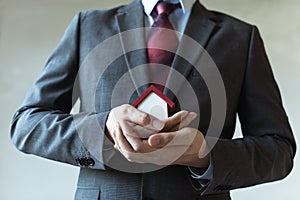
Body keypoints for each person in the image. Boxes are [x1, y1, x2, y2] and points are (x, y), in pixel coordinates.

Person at [10, 0, 296, 199]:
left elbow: (278, 150)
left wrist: (204, 154)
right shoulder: (88, 26)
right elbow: (27, 125)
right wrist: (103, 128)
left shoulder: (241, 37)